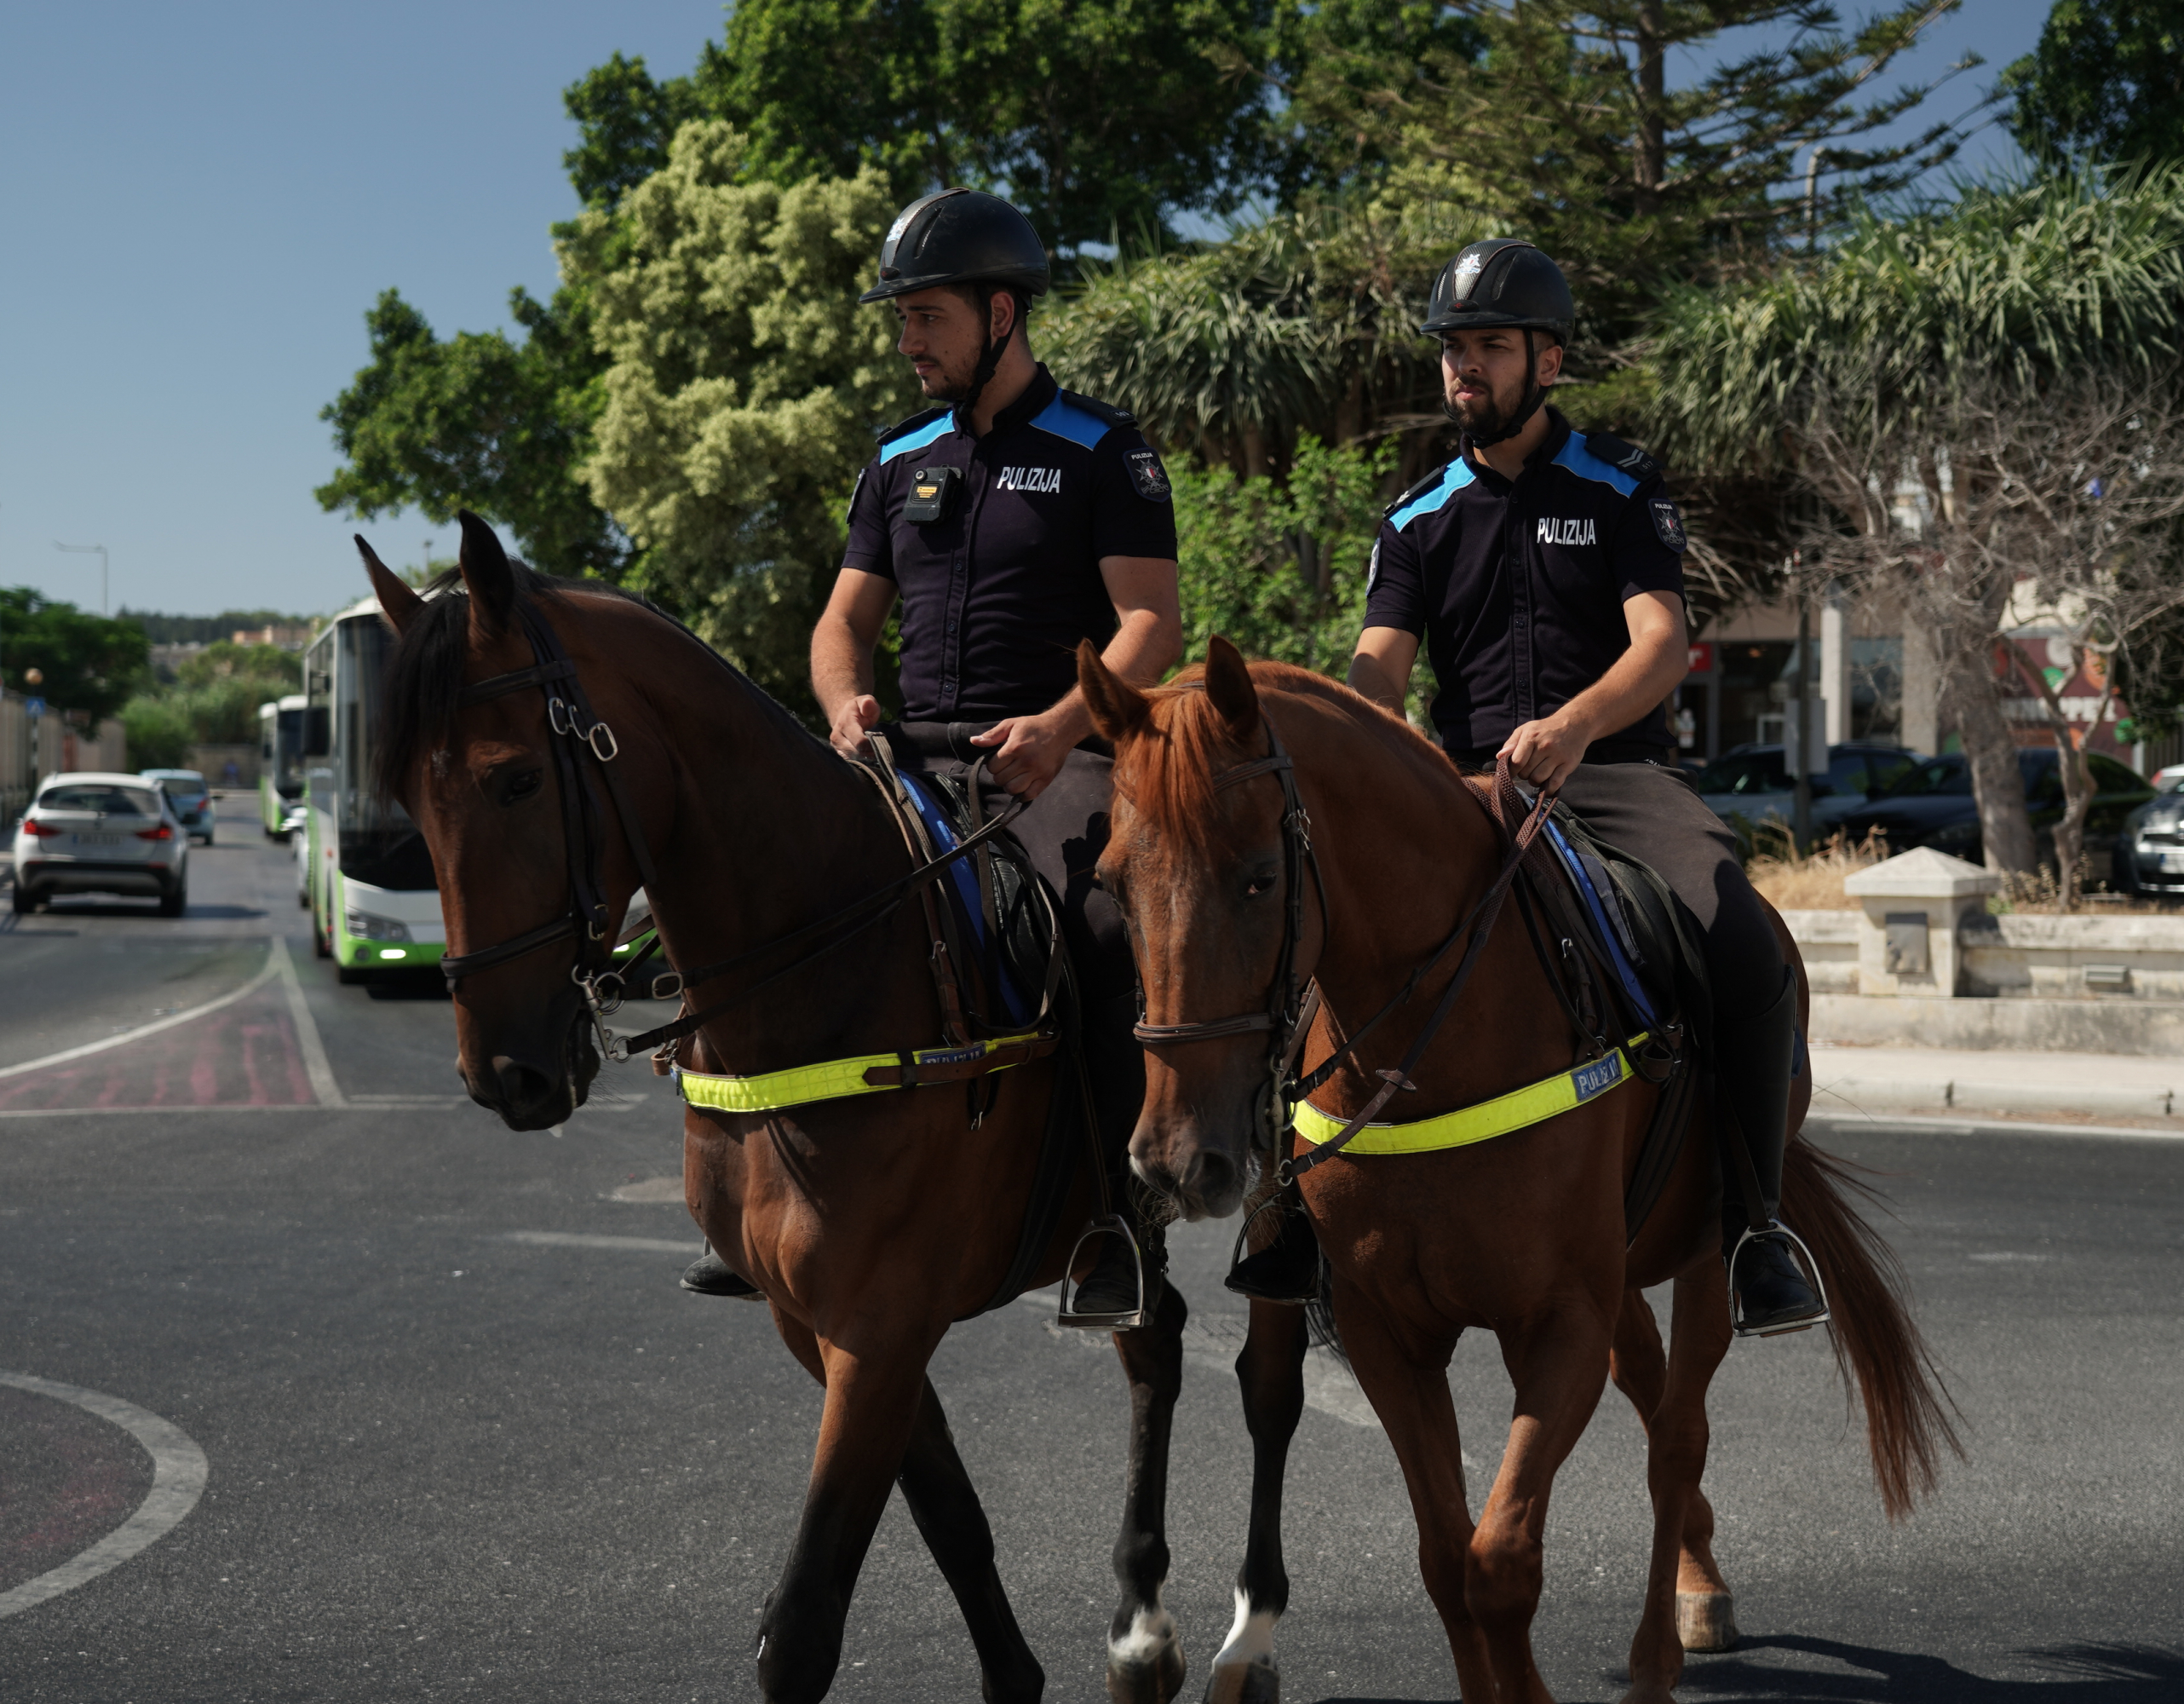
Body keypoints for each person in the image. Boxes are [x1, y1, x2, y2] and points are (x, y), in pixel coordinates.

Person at [1230, 237, 1828, 1337]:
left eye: (1490, 347)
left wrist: (1573, 725)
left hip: (1613, 775)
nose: (1466, 369)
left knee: (1735, 934)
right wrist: (1371, 747)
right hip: (1459, 786)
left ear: (1547, 361)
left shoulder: (1620, 485)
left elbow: (1661, 642)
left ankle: (1756, 1227)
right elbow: (1378, 667)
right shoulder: (1414, 516)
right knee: (1297, 948)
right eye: (1455, 350)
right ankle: (1291, 1215)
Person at [679, 187, 1181, 1328]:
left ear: (1001, 313)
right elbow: (839, 625)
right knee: (754, 906)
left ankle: (1116, 1218)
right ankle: (738, 1196)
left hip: (1054, 761)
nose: (906, 342)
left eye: (925, 318)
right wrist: (845, 700)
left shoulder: (1105, 450)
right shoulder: (895, 458)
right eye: (901, 320)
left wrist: (1061, 729)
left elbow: (1150, 625)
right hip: (903, 763)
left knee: (1106, 928)